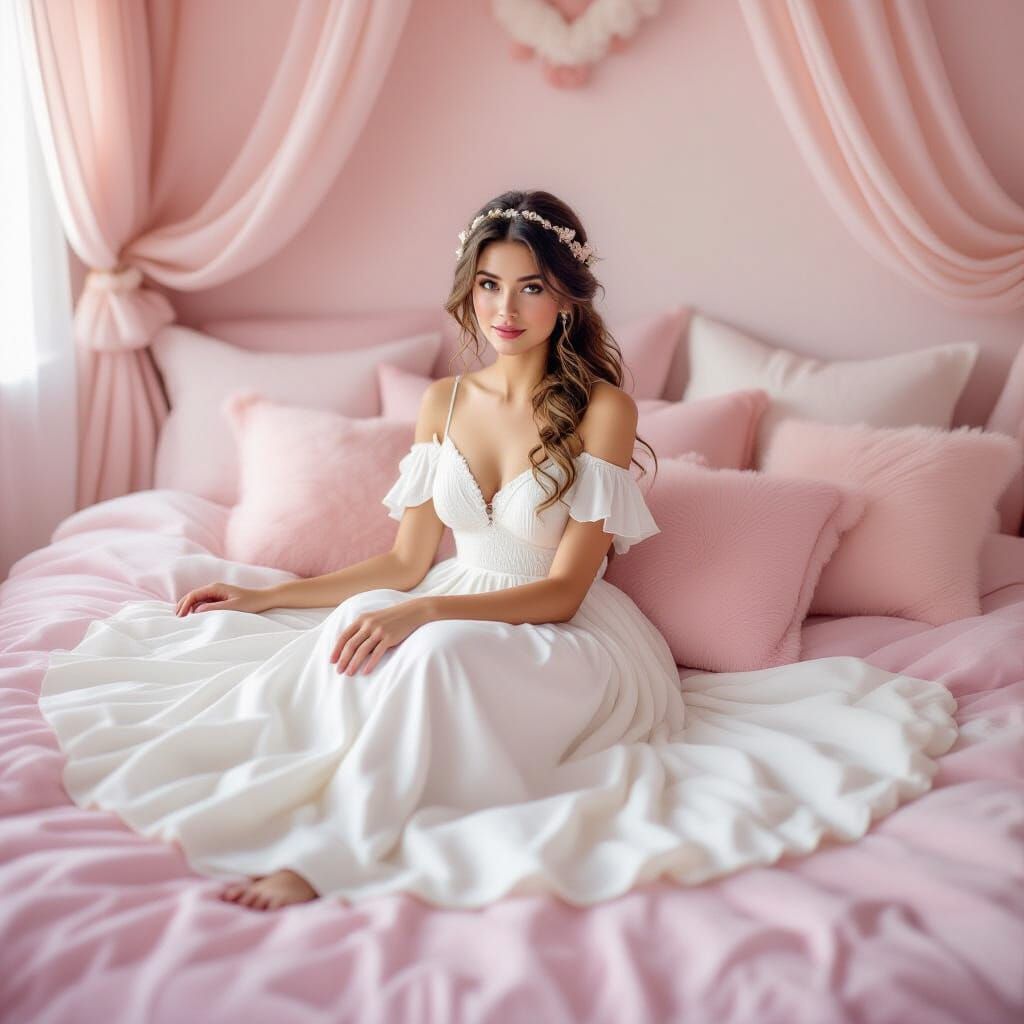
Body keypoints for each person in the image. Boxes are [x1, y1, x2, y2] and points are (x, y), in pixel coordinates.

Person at [37, 190, 957, 913]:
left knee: (428, 649)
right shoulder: (442, 404)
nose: (505, 308)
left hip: (571, 633)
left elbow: (560, 591)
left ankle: (330, 856)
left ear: (566, 296)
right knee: (355, 630)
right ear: (467, 290)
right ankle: (311, 785)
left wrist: (426, 609)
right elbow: (404, 565)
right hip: (454, 597)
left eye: (529, 285)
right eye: (489, 284)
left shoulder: (603, 408)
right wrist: (265, 596)